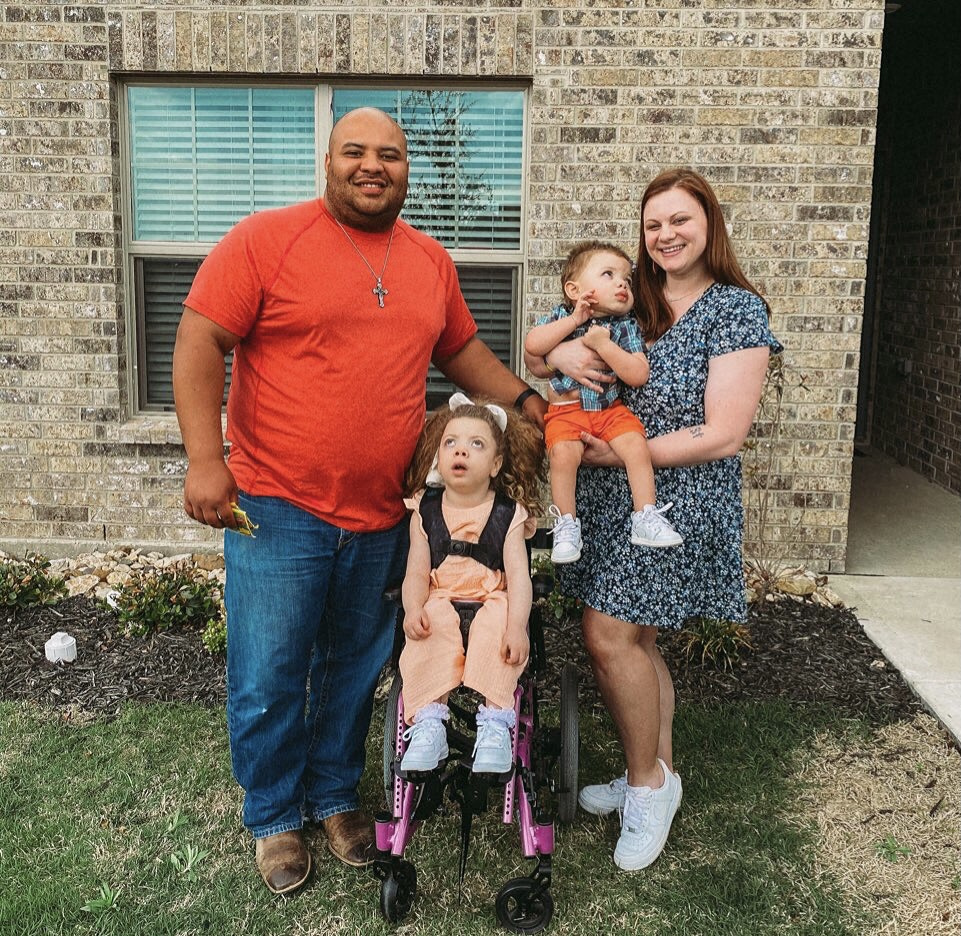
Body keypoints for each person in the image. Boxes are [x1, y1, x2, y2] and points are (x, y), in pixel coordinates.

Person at [172, 107, 546, 896]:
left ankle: (335, 798)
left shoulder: (428, 259)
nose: (372, 165)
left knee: (355, 670)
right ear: (329, 160)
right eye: (355, 151)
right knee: (270, 671)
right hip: (278, 503)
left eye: (390, 155)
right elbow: (200, 339)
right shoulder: (264, 241)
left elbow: (459, 350)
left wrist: (525, 404)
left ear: (407, 170)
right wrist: (206, 460)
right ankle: (274, 814)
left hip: (385, 511)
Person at [525, 168, 782, 872]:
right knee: (635, 637)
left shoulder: (735, 310)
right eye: (653, 224)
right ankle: (657, 769)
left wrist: (610, 455)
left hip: (678, 498)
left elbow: (723, 434)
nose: (666, 235)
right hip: (612, 502)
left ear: (709, 225)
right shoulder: (627, 297)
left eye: (680, 220)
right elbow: (552, 348)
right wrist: (567, 349)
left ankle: (645, 787)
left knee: (608, 636)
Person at [397, 393, 545, 775]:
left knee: (499, 626)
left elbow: (518, 577)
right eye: (451, 442)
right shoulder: (426, 509)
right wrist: (412, 608)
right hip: (441, 594)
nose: (460, 451)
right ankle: (429, 723)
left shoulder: (507, 513)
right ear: (439, 456)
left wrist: (517, 627)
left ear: (496, 464)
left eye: (476, 444)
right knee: (428, 626)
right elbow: (417, 571)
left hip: (491, 596)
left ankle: (495, 724)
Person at [524, 241, 682, 564]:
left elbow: (638, 374)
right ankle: (566, 524)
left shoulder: (625, 327)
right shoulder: (561, 316)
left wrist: (604, 346)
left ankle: (645, 515)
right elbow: (533, 344)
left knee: (636, 444)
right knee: (562, 455)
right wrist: (574, 321)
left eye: (626, 279)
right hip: (566, 414)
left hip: (609, 411)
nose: (622, 283)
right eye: (608, 274)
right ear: (574, 290)